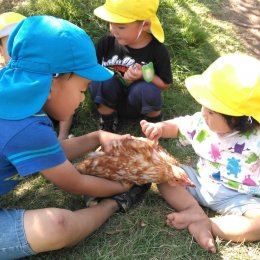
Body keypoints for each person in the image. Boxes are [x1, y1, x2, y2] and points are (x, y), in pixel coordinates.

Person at [0, 15, 150, 259]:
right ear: (52, 81)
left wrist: (96, 136)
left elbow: (51, 155)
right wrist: (123, 185)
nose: (83, 99)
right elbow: (75, 183)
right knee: (57, 226)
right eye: (82, 89)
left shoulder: (16, 98)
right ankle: (113, 204)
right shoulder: (27, 130)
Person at [141, 53, 260, 253]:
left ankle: (208, 225)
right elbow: (179, 126)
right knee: (164, 175)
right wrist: (160, 127)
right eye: (204, 106)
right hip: (199, 182)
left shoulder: (256, 138)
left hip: (240, 196)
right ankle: (191, 210)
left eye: (212, 111)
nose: (204, 113)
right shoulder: (202, 122)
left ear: (240, 119)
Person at [87, 0, 173, 132]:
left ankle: (154, 124)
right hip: (108, 101)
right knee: (102, 80)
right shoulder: (108, 42)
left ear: (145, 25)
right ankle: (108, 120)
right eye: (111, 24)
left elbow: (165, 84)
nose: (114, 31)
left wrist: (144, 75)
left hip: (137, 104)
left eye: (121, 27)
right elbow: (92, 68)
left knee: (148, 89)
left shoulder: (157, 50)